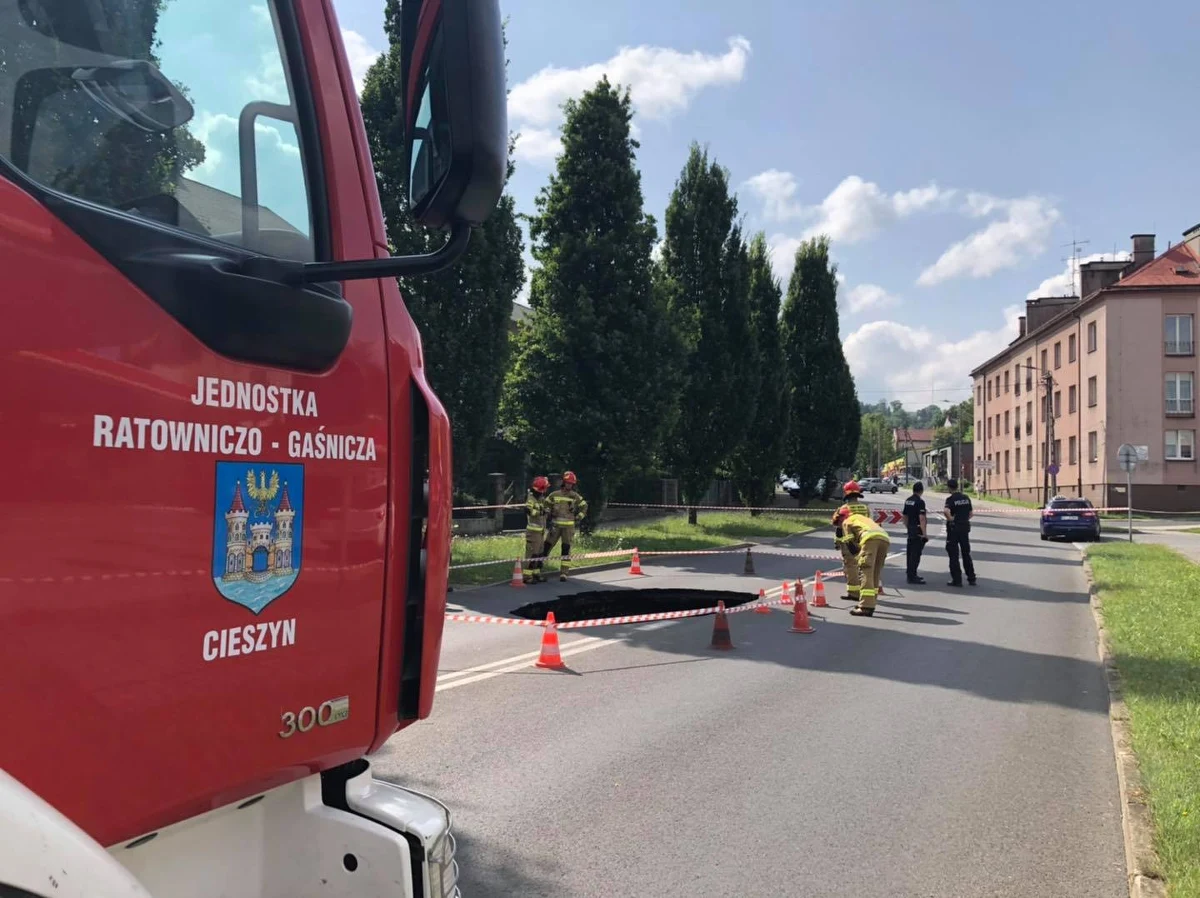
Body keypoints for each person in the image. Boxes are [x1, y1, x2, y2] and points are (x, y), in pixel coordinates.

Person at [833, 507, 891, 617]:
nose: (839, 525)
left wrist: (858, 559)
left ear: (842, 518)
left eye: (838, 523)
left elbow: (851, 545)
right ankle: (871, 601)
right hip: (885, 539)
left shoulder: (846, 521)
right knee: (875, 572)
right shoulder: (861, 518)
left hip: (870, 539)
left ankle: (865, 606)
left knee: (865, 571)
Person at [543, 471, 589, 581]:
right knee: (547, 546)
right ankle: (538, 568)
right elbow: (545, 505)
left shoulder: (575, 496)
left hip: (568, 528)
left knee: (566, 549)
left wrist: (579, 517)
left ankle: (564, 573)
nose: (569, 485)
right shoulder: (554, 495)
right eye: (568, 483)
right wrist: (549, 512)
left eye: (571, 484)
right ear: (564, 482)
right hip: (555, 526)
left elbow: (584, 506)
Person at [831, 481, 871, 604]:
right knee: (863, 566)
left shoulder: (843, 509)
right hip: (863, 540)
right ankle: (866, 591)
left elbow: (838, 527)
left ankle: (854, 592)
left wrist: (837, 543)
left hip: (849, 542)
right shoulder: (865, 509)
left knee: (851, 566)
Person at [943, 478, 976, 587]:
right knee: (966, 553)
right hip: (964, 528)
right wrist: (964, 519)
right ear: (957, 486)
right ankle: (971, 578)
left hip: (954, 529)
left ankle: (957, 580)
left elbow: (946, 511)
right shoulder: (966, 498)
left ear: (949, 487)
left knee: (954, 554)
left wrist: (951, 519)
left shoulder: (950, 499)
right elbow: (971, 514)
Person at [523, 476, 551, 584]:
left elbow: (544, 510)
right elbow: (527, 510)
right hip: (533, 532)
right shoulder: (531, 499)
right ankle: (527, 576)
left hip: (540, 532)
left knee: (539, 554)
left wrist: (546, 511)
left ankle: (536, 574)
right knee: (532, 554)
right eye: (545, 488)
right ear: (541, 489)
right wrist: (541, 512)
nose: (546, 491)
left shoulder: (541, 499)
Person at [902, 481, 928, 584]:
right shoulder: (920, 502)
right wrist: (924, 533)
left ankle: (911, 573)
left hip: (911, 529)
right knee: (916, 554)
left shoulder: (908, 500)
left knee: (910, 552)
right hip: (918, 530)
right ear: (921, 491)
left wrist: (908, 527)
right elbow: (921, 518)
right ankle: (912, 576)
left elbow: (904, 516)